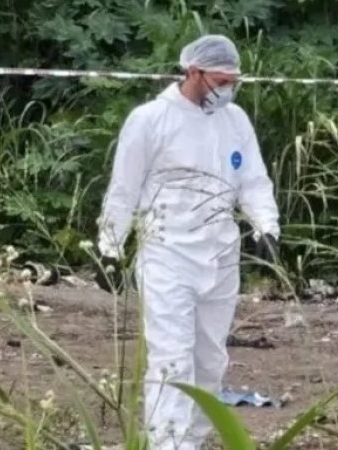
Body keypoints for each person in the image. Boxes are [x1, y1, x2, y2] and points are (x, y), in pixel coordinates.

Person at [95, 34, 280, 449]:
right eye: (221, 81)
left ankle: (194, 440)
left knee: (210, 362)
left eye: (233, 82)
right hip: (168, 254)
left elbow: (253, 180)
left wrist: (266, 227)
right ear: (193, 72)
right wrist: (110, 246)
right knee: (171, 359)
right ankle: (168, 443)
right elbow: (124, 188)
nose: (227, 89)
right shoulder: (150, 120)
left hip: (221, 255)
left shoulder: (235, 121)